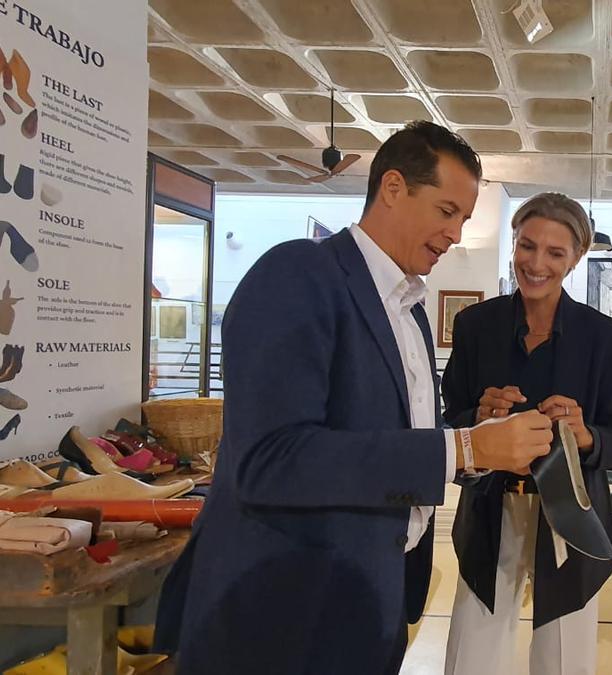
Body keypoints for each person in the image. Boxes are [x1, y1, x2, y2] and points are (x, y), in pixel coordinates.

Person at [153, 122, 556, 675]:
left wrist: (479, 435)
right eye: (446, 212)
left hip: (369, 608)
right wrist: (463, 450)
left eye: (463, 218)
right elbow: (271, 461)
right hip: (285, 617)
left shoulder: (410, 309)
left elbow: (386, 438)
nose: (457, 234)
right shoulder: (299, 275)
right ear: (393, 188)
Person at [442, 192, 612, 675]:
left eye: (555, 253)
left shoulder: (607, 339)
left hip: (570, 512)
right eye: (527, 246)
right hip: (490, 504)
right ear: (513, 243)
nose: (537, 263)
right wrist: (479, 415)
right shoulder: (474, 326)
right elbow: (453, 416)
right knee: (473, 646)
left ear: (576, 258)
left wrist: (583, 433)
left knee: (564, 655)